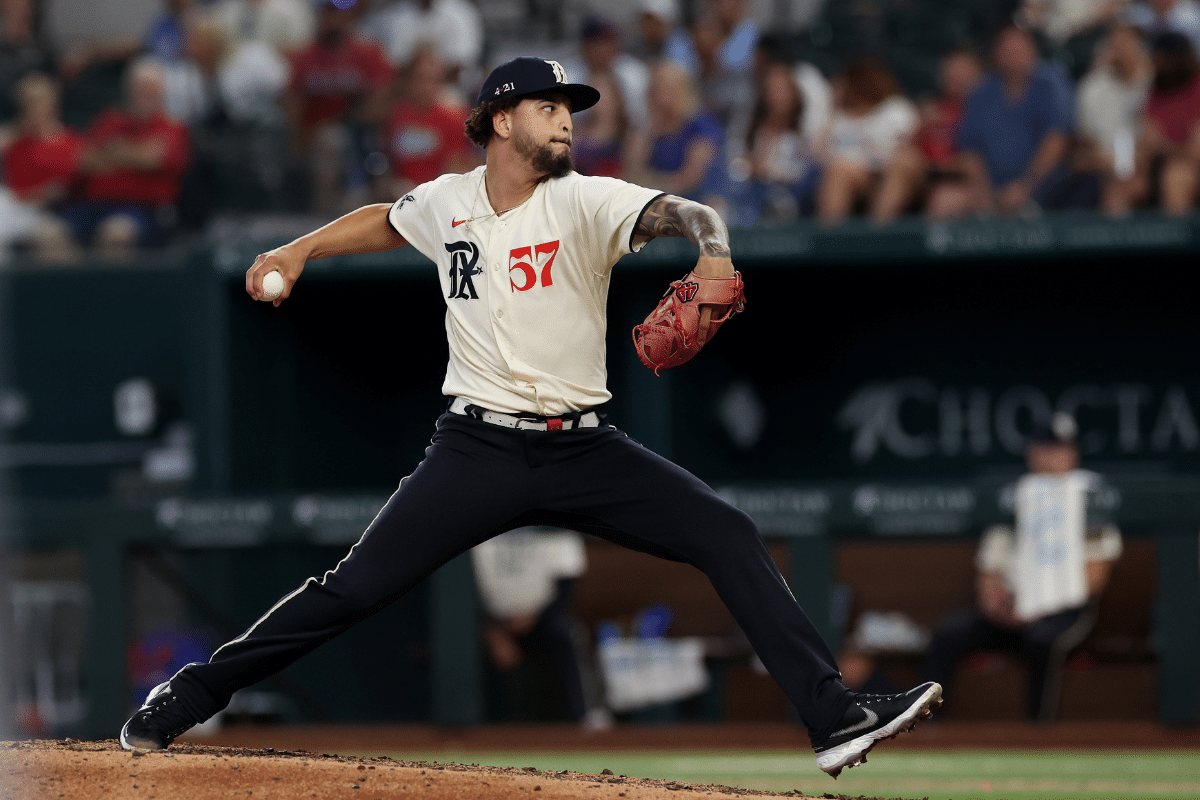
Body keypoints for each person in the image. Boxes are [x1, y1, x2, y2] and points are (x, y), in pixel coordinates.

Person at [118, 56, 941, 779]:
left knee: (726, 532)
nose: (566, 123)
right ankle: (185, 699)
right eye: (550, 108)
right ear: (502, 119)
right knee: (349, 591)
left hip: (586, 449)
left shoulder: (585, 201)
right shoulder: (448, 202)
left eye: (570, 111)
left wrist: (713, 245)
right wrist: (299, 250)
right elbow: (385, 219)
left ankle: (830, 718)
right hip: (475, 448)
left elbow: (683, 213)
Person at [921, 414, 1123, 721]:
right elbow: (990, 567)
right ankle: (932, 733)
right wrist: (998, 605)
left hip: (1063, 609)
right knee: (948, 636)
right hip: (1011, 608)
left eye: (1061, 449)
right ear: (1031, 452)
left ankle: (1037, 737)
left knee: (1041, 641)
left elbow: (1095, 577)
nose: (1052, 457)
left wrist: (1039, 606)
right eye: (1045, 448)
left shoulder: (1091, 495)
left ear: (1073, 453)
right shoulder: (1014, 496)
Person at [931, 25, 1073, 218]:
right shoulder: (981, 94)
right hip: (990, 190)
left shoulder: (1050, 85)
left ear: (1033, 50)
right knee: (944, 199)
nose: (1014, 55)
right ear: (996, 54)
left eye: (1019, 48)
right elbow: (970, 151)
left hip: (1043, 186)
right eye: (1007, 50)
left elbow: (1056, 141)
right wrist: (984, 193)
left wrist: (1025, 187)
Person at [60, 59, 190, 252]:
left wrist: (113, 152)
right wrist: (136, 154)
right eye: (139, 91)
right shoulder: (108, 121)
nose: (144, 97)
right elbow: (83, 161)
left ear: (161, 95)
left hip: (142, 210)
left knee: (115, 234)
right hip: (90, 205)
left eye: (150, 92)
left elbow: (155, 160)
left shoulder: (171, 128)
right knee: (50, 235)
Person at [472, 527, 589, 723]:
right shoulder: (475, 516)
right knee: (460, 642)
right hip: (491, 624)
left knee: (568, 633)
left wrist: (537, 617)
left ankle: (585, 721)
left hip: (542, 619)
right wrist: (492, 632)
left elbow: (567, 583)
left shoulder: (553, 520)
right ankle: (472, 735)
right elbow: (459, 591)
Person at [285, 0, 392, 213]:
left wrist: (347, 114)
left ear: (350, 17)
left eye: (339, 14)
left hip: (360, 138)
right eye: (328, 14)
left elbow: (382, 103)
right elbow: (292, 108)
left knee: (340, 141)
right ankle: (319, 214)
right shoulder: (305, 57)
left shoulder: (367, 53)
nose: (333, 21)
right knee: (330, 140)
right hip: (314, 140)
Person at [871, 48, 983, 224]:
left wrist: (945, 165)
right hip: (926, 173)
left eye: (961, 70)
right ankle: (875, 236)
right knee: (903, 160)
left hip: (958, 179)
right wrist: (922, 125)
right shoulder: (931, 108)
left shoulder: (981, 112)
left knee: (944, 197)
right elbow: (910, 146)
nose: (955, 75)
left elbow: (975, 162)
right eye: (951, 69)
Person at [814, 56, 918, 225]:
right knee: (839, 171)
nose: (836, 86)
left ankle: (878, 234)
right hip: (854, 176)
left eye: (842, 82)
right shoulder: (840, 118)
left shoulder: (894, 110)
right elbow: (818, 154)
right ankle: (829, 240)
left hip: (885, 173)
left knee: (899, 165)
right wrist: (831, 112)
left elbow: (902, 149)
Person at [1108, 31, 1200, 214]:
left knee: (1175, 178)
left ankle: (1178, 241)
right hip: (1157, 164)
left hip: (1188, 167)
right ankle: (1119, 241)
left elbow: (1195, 152)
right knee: (1121, 187)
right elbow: (1144, 143)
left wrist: (1161, 145)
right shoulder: (1154, 93)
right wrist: (1135, 168)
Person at [1072, 23, 1153, 215]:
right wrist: (1112, 163)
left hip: (1150, 163)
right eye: (1115, 45)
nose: (1121, 50)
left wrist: (1137, 164)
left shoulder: (1155, 83)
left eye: (1127, 44)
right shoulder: (1091, 89)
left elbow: (1158, 136)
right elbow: (1084, 143)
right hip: (1104, 166)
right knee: (1116, 191)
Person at [624, 61, 728, 206]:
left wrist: (652, 185)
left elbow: (690, 179)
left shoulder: (702, 127)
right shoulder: (647, 129)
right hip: (655, 203)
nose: (661, 98)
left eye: (667, 90)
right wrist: (647, 132)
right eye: (656, 91)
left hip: (695, 202)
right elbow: (632, 172)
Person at [0, 73, 78, 258]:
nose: (34, 109)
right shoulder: (12, 140)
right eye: (29, 104)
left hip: (51, 213)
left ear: (53, 105)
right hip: (14, 209)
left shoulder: (69, 142)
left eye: (39, 103)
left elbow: (62, 190)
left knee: (51, 237)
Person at [380, 47, 474, 197]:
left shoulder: (454, 118)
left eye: (432, 81)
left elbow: (459, 167)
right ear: (409, 82)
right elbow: (387, 160)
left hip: (437, 195)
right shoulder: (395, 116)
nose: (426, 88)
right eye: (420, 80)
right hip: (400, 192)